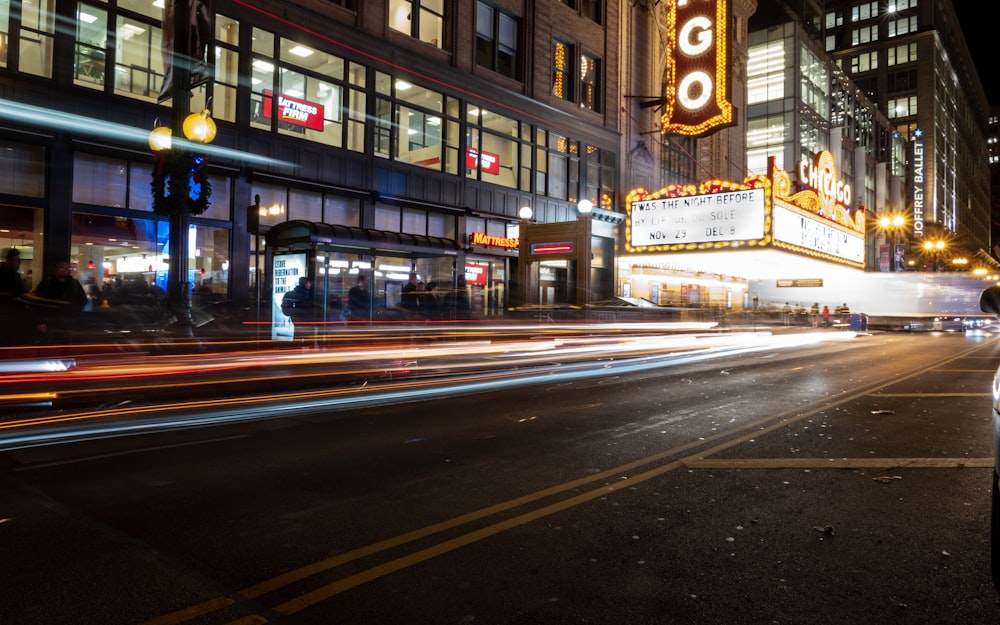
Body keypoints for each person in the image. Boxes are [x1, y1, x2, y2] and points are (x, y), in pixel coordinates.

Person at [25, 259, 88, 343]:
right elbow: (37, 304)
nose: (64, 271)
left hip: (68, 322)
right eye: (61, 268)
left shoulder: (74, 284)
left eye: (66, 269)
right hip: (50, 323)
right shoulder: (46, 283)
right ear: (55, 269)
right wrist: (40, 321)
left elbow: (82, 301)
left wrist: (74, 313)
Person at [0, 248, 27, 345]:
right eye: (16, 260)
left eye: (19, 260)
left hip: (14, 316)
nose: (18, 263)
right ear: (8, 260)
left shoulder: (16, 276)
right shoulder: (6, 275)